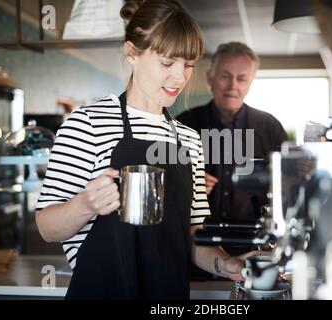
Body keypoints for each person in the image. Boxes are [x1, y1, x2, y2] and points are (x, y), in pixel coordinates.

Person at [35, 0, 260, 300]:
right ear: (132, 53)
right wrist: (85, 204)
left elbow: (192, 235)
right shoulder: (88, 124)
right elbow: (47, 227)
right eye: (167, 63)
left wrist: (226, 264)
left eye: (189, 65)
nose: (180, 78)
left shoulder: (189, 139)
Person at [177, 42, 287, 223]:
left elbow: (288, 184)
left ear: (250, 84)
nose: (232, 86)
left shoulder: (270, 127)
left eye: (241, 79)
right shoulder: (184, 124)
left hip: (256, 241)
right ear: (210, 79)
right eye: (225, 76)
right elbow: (165, 183)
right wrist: (186, 183)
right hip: (197, 238)